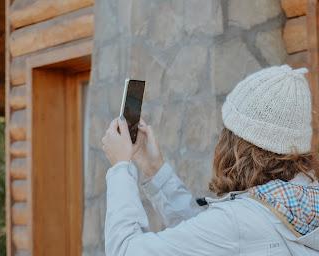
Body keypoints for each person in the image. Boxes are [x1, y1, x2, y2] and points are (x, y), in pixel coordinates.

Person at [102, 65, 319, 256]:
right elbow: (207, 236)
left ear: (237, 142)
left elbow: (125, 250)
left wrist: (121, 168)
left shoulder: (238, 224)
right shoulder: (299, 206)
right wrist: (154, 169)